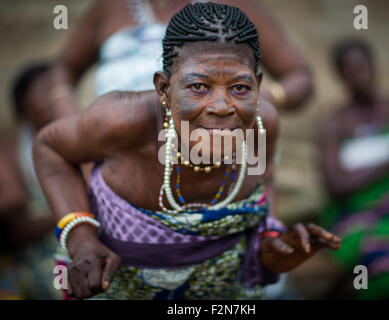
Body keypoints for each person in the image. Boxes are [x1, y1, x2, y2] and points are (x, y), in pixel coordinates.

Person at [34, 3, 340, 300]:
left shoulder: (263, 125)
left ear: (258, 86)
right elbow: (50, 148)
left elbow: (264, 179)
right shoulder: (122, 121)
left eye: (239, 88)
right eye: (199, 87)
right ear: (164, 90)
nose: (221, 107)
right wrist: (82, 238)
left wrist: (270, 243)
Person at [43, 0, 311, 113]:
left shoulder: (235, 5)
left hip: (219, 152)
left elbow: (299, 76)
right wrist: (63, 104)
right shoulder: (109, 7)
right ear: (161, 86)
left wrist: (259, 99)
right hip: (117, 150)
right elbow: (65, 65)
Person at [318, 39, 389, 299]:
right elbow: (335, 186)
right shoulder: (335, 123)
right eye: (351, 70)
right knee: (382, 258)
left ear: (374, 66)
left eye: (363, 66)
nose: (360, 75)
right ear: (341, 76)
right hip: (354, 216)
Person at [0, 63, 72, 299]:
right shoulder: (10, 153)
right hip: (35, 257)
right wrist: (70, 214)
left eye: (58, 91)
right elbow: (13, 230)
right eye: (44, 92)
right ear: (22, 105)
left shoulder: (74, 139)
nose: (54, 100)